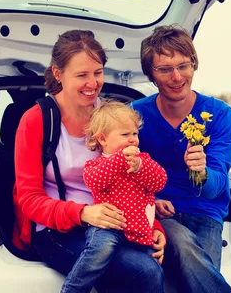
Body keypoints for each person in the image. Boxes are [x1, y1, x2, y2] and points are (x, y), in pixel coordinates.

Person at [13, 30, 165, 293]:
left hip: (118, 223)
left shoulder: (113, 118)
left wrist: (153, 225)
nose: (92, 83)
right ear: (58, 74)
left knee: (152, 265)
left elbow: (138, 181)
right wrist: (83, 213)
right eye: (81, 75)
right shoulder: (37, 120)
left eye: (98, 72)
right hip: (57, 229)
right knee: (144, 272)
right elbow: (28, 200)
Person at [132, 25, 231, 293]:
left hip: (204, 212)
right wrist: (151, 200)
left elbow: (215, 186)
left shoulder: (220, 115)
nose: (177, 76)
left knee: (190, 258)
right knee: (178, 240)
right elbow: (125, 173)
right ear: (151, 74)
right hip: (157, 214)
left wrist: (201, 171)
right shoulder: (135, 116)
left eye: (184, 66)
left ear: (194, 65)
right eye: (165, 69)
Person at [61, 100, 167, 293]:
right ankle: (73, 289)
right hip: (108, 228)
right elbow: (96, 182)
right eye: (125, 134)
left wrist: (140, 167)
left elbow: (159, 181)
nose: (132, 139)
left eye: (135, 134)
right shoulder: (96, 165)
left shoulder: (144, 161)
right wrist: (120, 159)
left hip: (141, 231)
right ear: (103, 139)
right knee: (95, 256)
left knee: (154, 270)